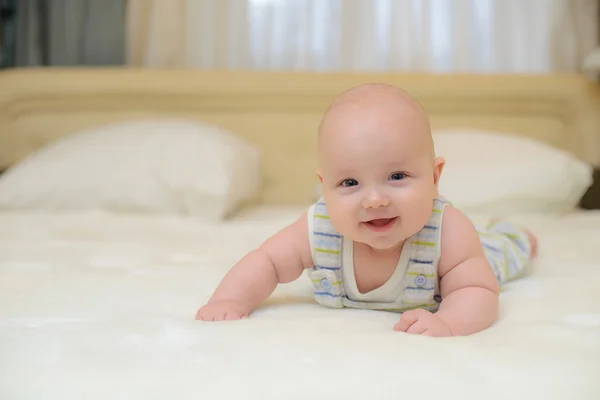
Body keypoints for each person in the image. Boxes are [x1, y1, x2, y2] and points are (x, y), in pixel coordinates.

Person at [196, 83, 538, 337]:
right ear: (325, 187)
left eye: (397, 176)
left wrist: (448, 322)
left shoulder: (449, 231)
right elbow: (266, 262)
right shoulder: (319, 227)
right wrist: (229, 301)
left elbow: (476, 292)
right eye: (349, 183)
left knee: (498, 251)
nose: (374, 200)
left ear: (435, 178)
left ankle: (516, 235)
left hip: (471, 258)